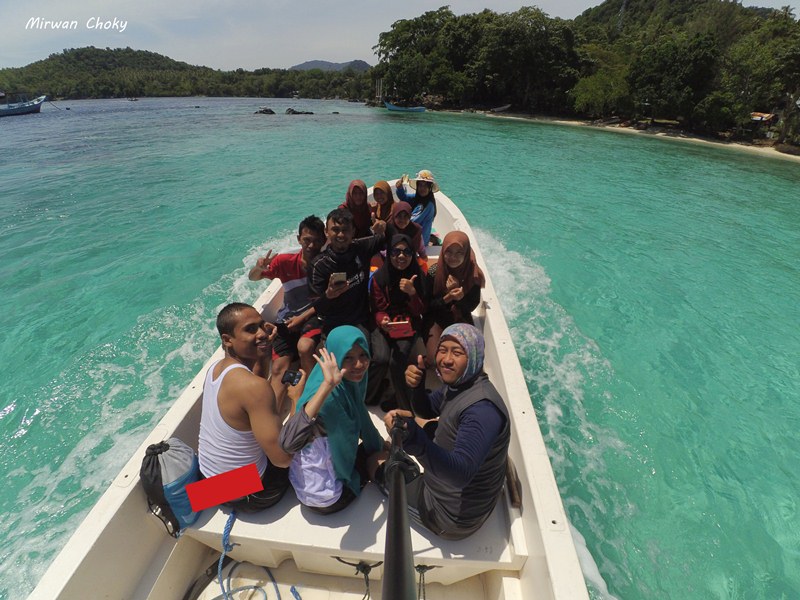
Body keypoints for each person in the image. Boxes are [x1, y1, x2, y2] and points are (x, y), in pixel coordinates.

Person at [382, 323, 510, 540]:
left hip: (448, 517)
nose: (446, 359)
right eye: (443, 350)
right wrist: (418, 387)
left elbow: (459, 476)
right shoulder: (463, 383)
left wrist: (415, 441)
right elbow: (426, 409)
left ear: (474, 357)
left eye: (457, 352)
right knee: (425, 423)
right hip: (469, 495)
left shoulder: (481, 411)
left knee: (375, 461)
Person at [280, 326, 387, 514]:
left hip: (230, 485)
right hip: (325, 496)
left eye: (364, 355)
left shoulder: (323, 378)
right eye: (348, 357)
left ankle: (209, 493)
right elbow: (285, 448)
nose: (360, 364)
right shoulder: (328, 395)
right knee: (382, 457)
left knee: (268, 466)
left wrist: (296, 399)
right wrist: (327, 386)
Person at [197, 303, 292, 512]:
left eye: (262, 326)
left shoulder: (216, 369)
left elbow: (254, 386)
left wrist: (265, 352)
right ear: (227, 340)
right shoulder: (254, 389)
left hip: (209, 485)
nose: (262, 334)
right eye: (250, 329)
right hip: (247, 494)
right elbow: (282, 460)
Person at [308, 207, 387, 402]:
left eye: (345, 230)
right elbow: (317, 306)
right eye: (335, 230)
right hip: (333, 323)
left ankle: (365, 398)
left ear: (353, 232)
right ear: (327, 232)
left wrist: (385, 227)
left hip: (361, 319)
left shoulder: (362, 248)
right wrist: (328, 296)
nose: (341, 234)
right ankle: (335, 399)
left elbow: (389, 237)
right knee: (332, 365)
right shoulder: (319, 265)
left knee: (381, 358)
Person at [249, 215, 326, 414]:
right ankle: (270, 421)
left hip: (312, 317)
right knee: (277, 370)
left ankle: (308, 400)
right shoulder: (284, 262)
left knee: (305, 346)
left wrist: (302, 318)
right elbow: (254, 278)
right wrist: (259, 267)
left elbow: (327, 299)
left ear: (323, 241)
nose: (311, 245)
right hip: (287, 319)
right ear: (299, 238)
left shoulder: (325, 264)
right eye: (307, 239)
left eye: (317, 241)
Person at [369, 234, 428, 411]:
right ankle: (370, 395)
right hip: (385, 324)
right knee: (380, 359)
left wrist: (412, 293)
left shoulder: (418, 276)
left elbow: (422, 311)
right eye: (396, 251)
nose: (401, 256)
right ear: (389, 254)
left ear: (412, 254)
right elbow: (376, 309)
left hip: (408, 324)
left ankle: (403, 405)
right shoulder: (380, 278)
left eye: (407, 252)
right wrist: (383, 320)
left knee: (397, 361)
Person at [424, 231, 484, 366]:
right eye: (449, 252)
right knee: (436, 360)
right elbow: (426, 306)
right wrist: (448, 297)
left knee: (468, 359)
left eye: (459, 253)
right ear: (443, 251)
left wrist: (460, 298)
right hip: (436, 318)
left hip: (460, 316)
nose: (453, 257)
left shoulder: (473, 275)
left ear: (466, 253)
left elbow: (472, 306)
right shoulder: (434, 272)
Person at [396, 169, 438, 247]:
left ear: (430, 188)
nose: (422, 188)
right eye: (420, 185)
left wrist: (396, 219)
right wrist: (400, 188)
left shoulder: (427, 205)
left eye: (425, 186)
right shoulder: (418, 198)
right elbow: (405, 198)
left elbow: (413, 220)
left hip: (419, 241)